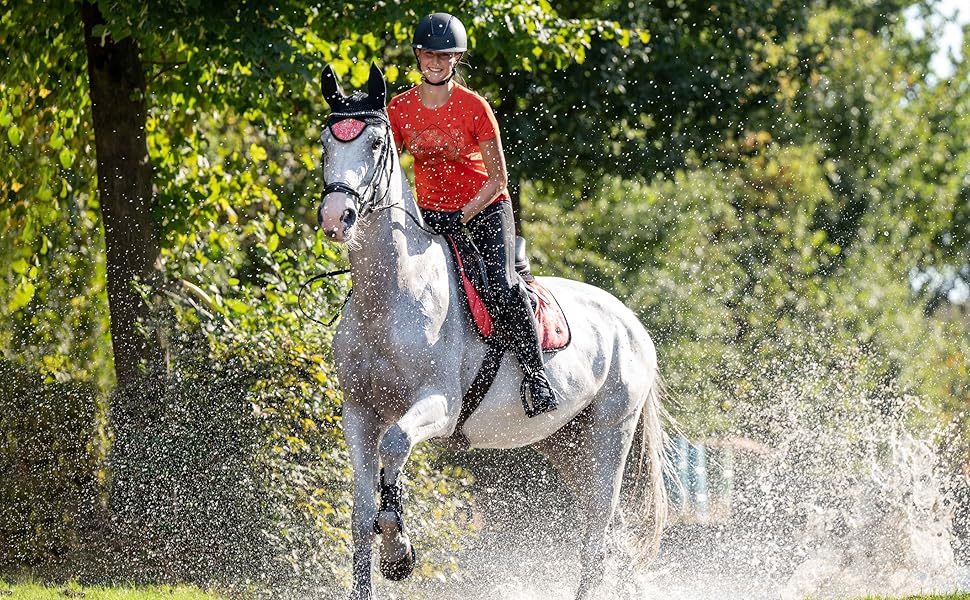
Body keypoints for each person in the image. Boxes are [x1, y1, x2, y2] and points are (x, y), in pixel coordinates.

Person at [387, 12, 558, 417]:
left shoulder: (474, 107)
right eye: (429, 54)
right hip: (427, 215)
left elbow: (498, 178)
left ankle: (536, 375)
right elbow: (389, 168)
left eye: (444, 56)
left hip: (482, 209)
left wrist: (461, 215)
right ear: (418, 55)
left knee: (499, 285)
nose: (435, 62)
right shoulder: (400, 109)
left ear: (456, 60)